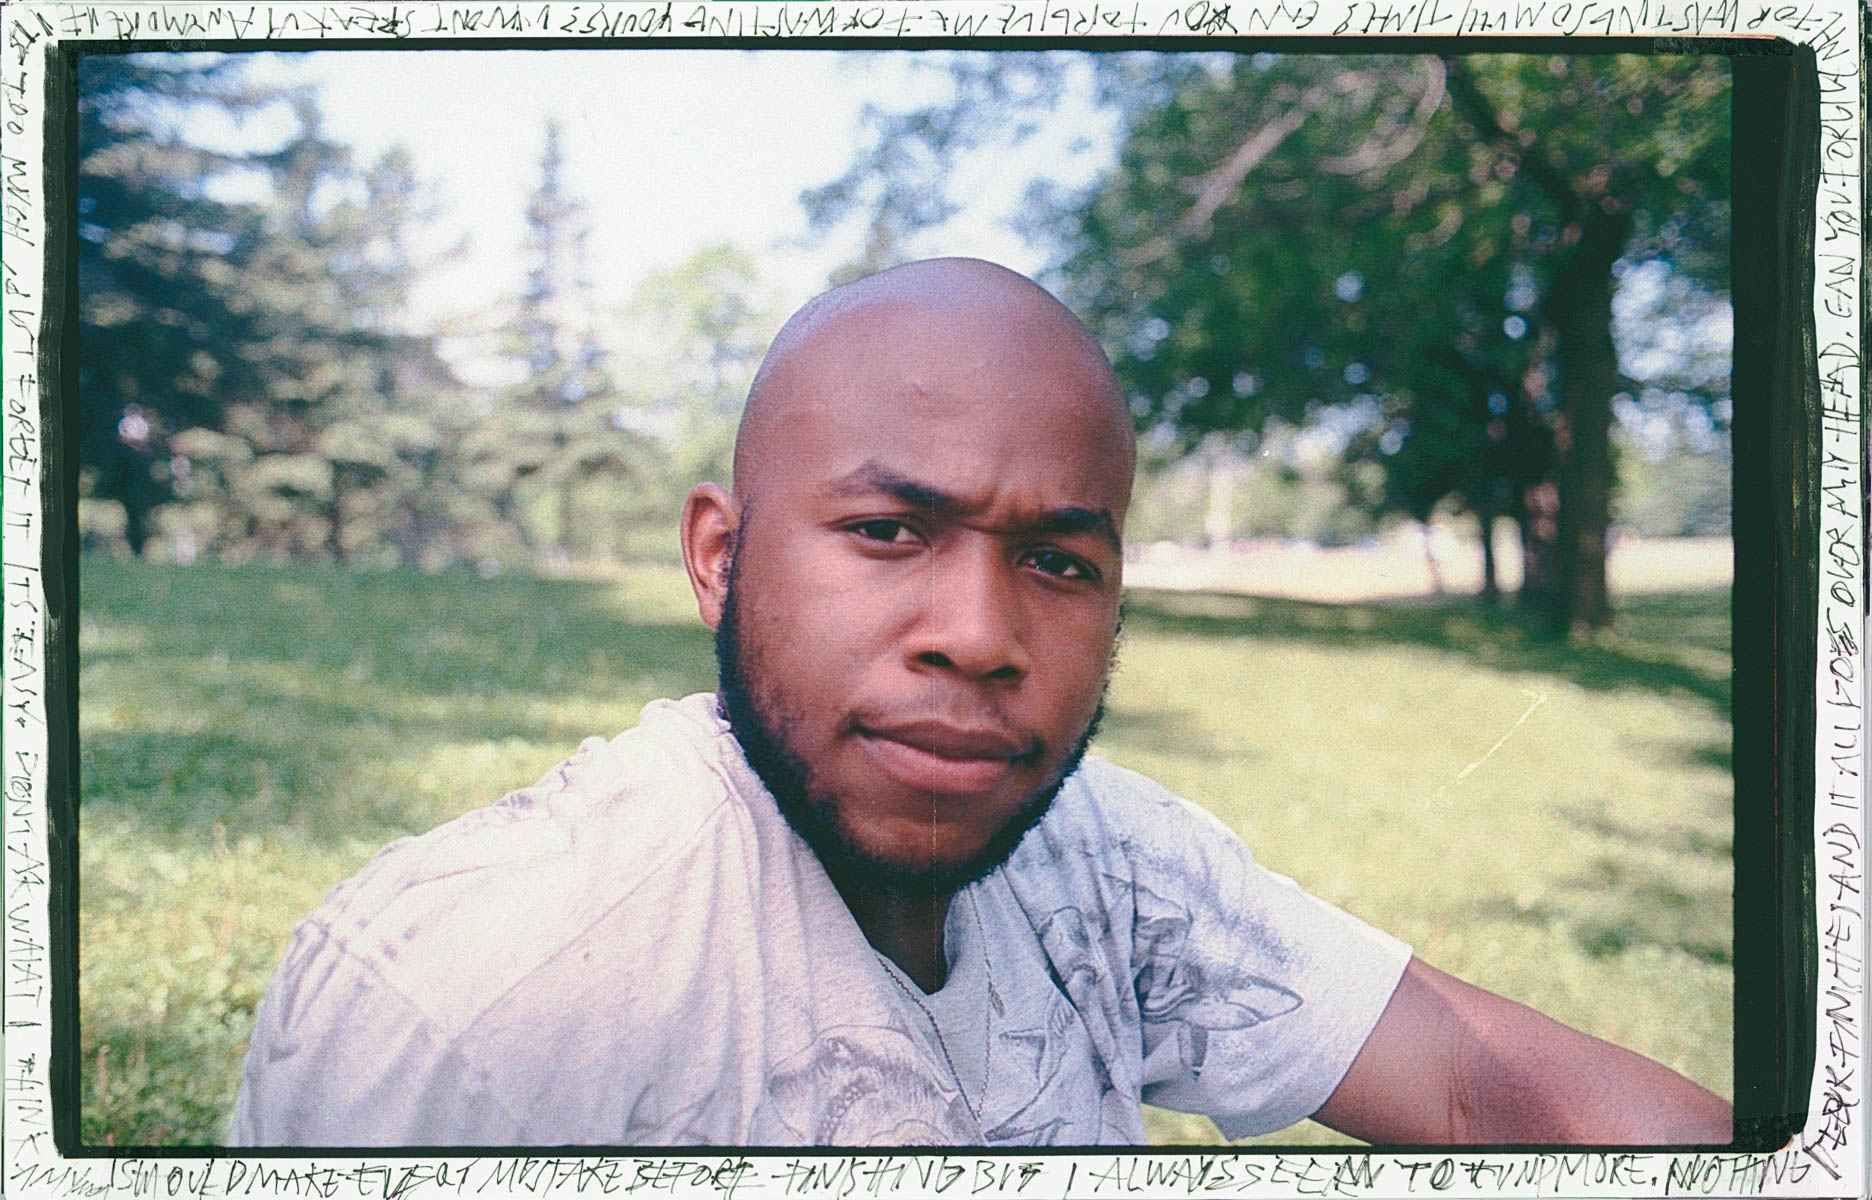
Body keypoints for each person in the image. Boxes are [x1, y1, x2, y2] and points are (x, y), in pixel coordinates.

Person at [230, 258, 1732, 1148]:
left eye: (1056, 561)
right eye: (889, 533)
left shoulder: (1114, 867)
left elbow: (1476, 1087)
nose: (978, 634)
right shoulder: (483, 1008)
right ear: (720, 556)